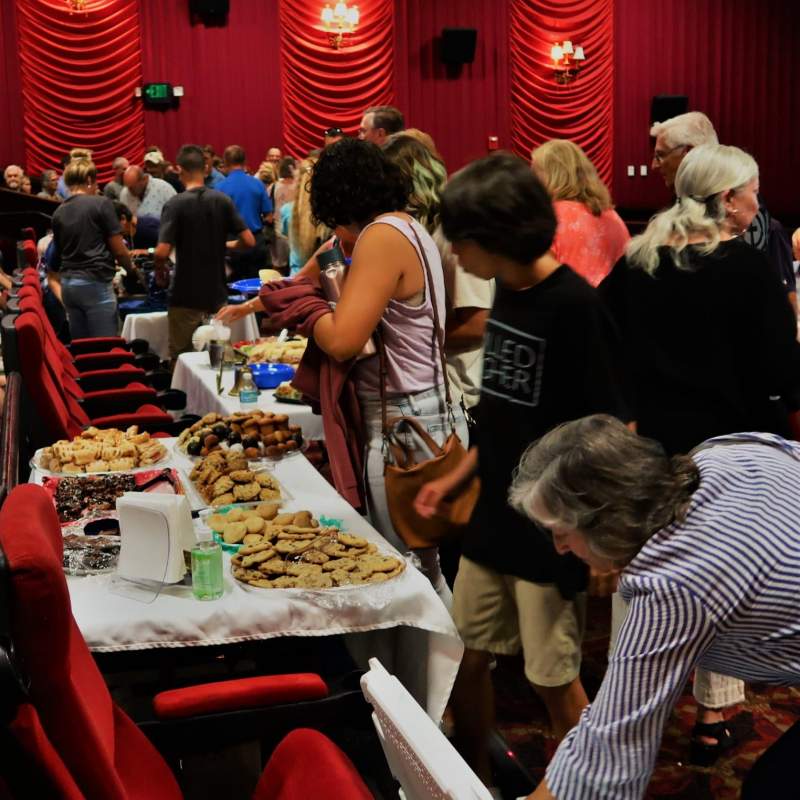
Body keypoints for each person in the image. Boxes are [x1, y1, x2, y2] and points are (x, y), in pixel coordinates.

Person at [413, 153, 628, 789]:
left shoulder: (576, 309)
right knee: (467, 660)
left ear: (494, 239)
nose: (453, 253)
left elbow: (614, 435)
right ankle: (471, 776)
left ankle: (577, 785)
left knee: (554, 682)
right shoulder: (508, 290)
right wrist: (454, 479)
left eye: (459, 240)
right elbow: (506, 419)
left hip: (551, 531)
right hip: (492, 522)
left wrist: (603, 546)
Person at [600, 143, 800, 762]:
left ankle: (624, 709)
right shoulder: (743, 268)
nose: (758, 203)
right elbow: (782, 369)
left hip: (654, 448)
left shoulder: (640, 261)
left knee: (648, 577)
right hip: (732, 457)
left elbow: (601, 339)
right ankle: (713, 714)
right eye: (752, 192)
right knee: (725, 578)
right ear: (726, 200)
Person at [216, 138, 466, 600]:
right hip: (423, 415)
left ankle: (441, 670)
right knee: (420, 568)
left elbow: (343, 340)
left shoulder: (380, 237)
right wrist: (268, 299)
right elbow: (310, 276)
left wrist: (306, 309)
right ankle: (449, 669)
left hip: (404, 426)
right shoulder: (404, 226)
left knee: (403, 573)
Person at [513, 415, 800, 800]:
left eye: (562, 533)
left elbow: (608, 758)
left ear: (606, 525)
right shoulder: (715, 454)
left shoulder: (675, 583)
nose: (560, 548)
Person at [383, 132, 494, 411]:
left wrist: (410, 337)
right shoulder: (429, 233)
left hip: (468, 393)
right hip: (449, 385)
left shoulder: (451, 236)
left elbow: (478, 323)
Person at [154, 144, 254, 361]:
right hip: (216, 294)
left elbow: (162, 252)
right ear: (205, 168)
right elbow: (248, 240)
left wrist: (159, 270)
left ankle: (184, 395)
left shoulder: (175, 204)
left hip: (184, 294)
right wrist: (225, 245)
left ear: (180, 169)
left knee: (182, 357)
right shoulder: (222, 200)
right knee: (218, 359)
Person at [48, 157, 132, 337]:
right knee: (106, 348)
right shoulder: (101, 203)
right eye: (95, 182)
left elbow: (55, 258)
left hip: (69, 287)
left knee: (82, 349)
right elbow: (119, 251)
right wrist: (133, 272)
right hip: (95, 285)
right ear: (88, 180)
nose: (97, 187)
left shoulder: (58, 212)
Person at [532, 139, 629, 287]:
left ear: (552, 176)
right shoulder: (614, 217)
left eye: (535, 172)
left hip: (566, 306)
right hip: (610, 308)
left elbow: (536, 281)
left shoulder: (548, 217)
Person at [217, 144, 272, 280]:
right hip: (256, 243)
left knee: (233, 289)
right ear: (244, 162)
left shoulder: (219, 188)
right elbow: (269, 216)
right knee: (257, 288)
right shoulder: (258, 184)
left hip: (232, 244)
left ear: (225, 162)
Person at [282, 156, 330, 275]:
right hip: (324, 278)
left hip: (296, 278)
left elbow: (286, 235)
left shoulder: (286, 210)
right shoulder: (328, 213)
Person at [120, 165, 176, 248]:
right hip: (136, 247)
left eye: (132, 187)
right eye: (127, 187)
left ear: (144, 179)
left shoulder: (164, 189)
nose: (129, 191)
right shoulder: (125, 193)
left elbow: (177, 220)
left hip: (164, 245)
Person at [270, 157, 297, 272]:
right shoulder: (299, 186)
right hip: (296, 232)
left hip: (278, 231)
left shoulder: (274, 186)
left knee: (278, 268)